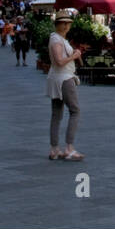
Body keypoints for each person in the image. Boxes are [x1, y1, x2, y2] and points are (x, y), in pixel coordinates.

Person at [47, 10, 83, 161]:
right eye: (65, 23)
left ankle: (55, 149)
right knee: (75, 111)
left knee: (57, 114)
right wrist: (74, 56)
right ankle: (69, 148)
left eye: (69, 23)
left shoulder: (60, 39)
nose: (68, 25)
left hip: (57, 78)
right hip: (64, 79)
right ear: (59, 24)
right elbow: (59, 61)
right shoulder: (57, 40)